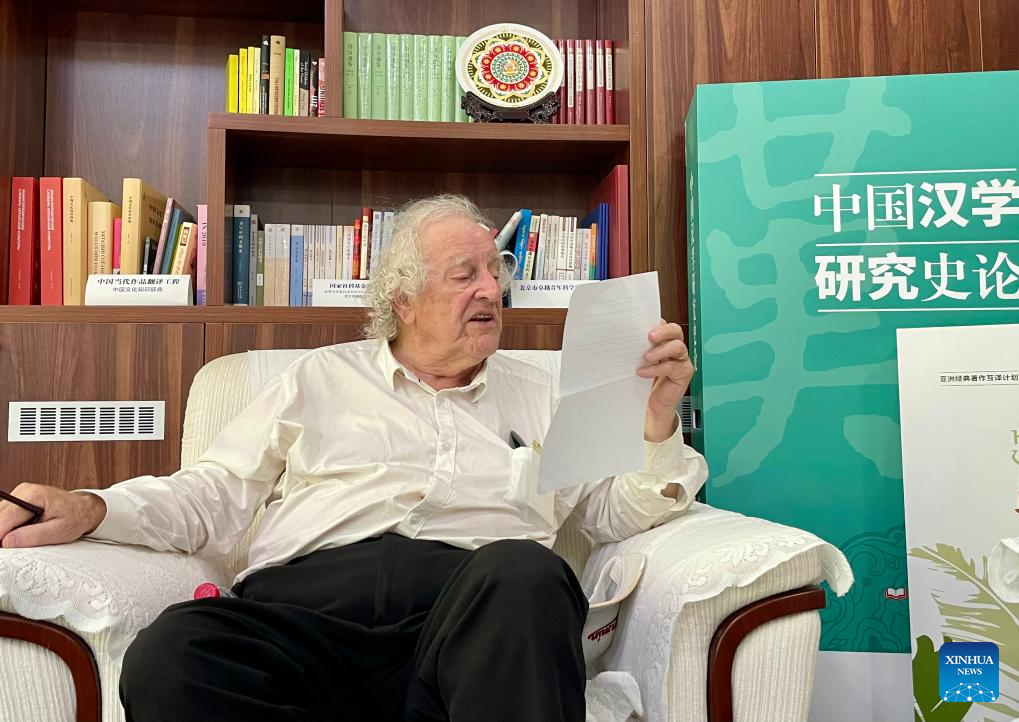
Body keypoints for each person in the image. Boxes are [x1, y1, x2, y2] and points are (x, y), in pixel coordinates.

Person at [0, 195, 707, 722]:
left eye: (497, 271)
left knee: (524, 571)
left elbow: (613, 512)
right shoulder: (318, 378)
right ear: (403, 299)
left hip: (472, 627)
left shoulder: (545, 393)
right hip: (305, 621)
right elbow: (210, 496)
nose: (492, 290)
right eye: (464, 274)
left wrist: (654, 426)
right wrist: (91, 508)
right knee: (173, 651)